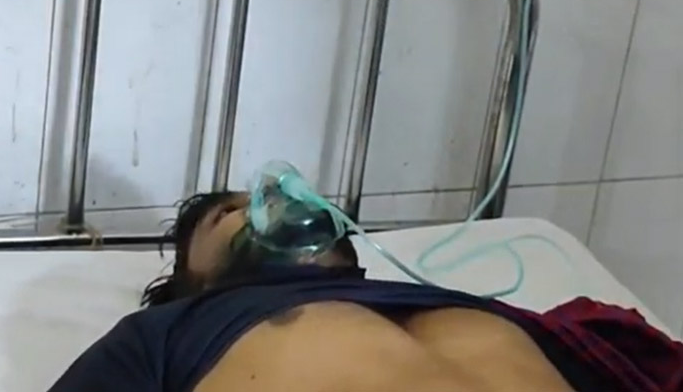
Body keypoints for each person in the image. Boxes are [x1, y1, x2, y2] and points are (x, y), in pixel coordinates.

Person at [49, 192, 683, 392]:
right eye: (230, 212)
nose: (271, 197)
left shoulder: (474, 307)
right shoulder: (173, 331)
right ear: (196, 276)